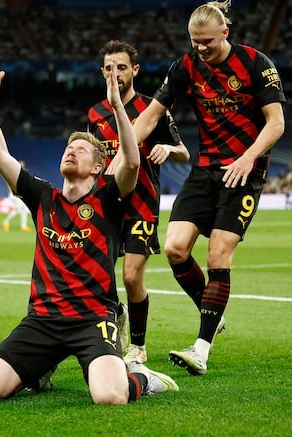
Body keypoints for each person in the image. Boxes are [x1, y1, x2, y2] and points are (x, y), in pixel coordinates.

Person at [0, 51, 179, 404]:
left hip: (92, 319)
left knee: (110, 396)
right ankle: (39, 371)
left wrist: (117, 108)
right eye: (70, 147)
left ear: (98, 167)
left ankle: (141, 378)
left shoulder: (109, 199)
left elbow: (131, 160)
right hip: (42, 319)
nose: (72, 151)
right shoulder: (42, 197)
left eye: (82, 150)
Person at [107, 0, 286, 376]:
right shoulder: (186, 66)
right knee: (174, 249)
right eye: (195, 42)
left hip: (245, 172)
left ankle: (201, 348)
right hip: (205, 170)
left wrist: (248, 157)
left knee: (219, 255)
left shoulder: (256, 63)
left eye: (208, 41)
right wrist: (121, 156)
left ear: (226, 32)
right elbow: (151, 114)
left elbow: (276, 123)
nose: (201, 49)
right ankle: (211, 309)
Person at [87, 40, 190, 365]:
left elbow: (184, 151)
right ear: (102, 72)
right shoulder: (95, 114)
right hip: (107, 205)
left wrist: (170, 150)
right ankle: (115, 314)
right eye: (109, 67)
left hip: (142, 205)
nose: (115, 73)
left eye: (121, 67)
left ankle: (138, 346)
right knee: (101, 278)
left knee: (132, 276)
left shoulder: (153, 108)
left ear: (135, 70)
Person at [2, 160, 32, 232]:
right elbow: (9, 181)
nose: (22, 166)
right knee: (22, 208)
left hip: (19, 194)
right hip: (14, 194)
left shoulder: (23, 173)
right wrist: (11, 191)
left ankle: (8, 222)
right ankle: (21, 225)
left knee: (19, 209)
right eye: (21, 165)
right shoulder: (14, 172)